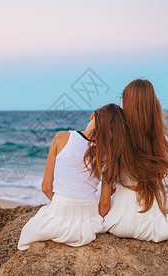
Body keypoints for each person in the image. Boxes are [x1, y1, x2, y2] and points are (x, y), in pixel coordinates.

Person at [85, 79, 168, 242]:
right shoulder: (159, 138)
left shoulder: (117, 137)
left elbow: (105, 198)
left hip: (119, 221)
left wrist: (98, 221)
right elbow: (156, 184)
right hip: (150, 218)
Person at [17, 106, 118, 250]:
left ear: (92, 116)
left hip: (60, 210)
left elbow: (46, 187)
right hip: (87, 218)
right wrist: (95, 218)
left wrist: (64, 205)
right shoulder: (109, 154)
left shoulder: (61, 137)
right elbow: (104, 202)